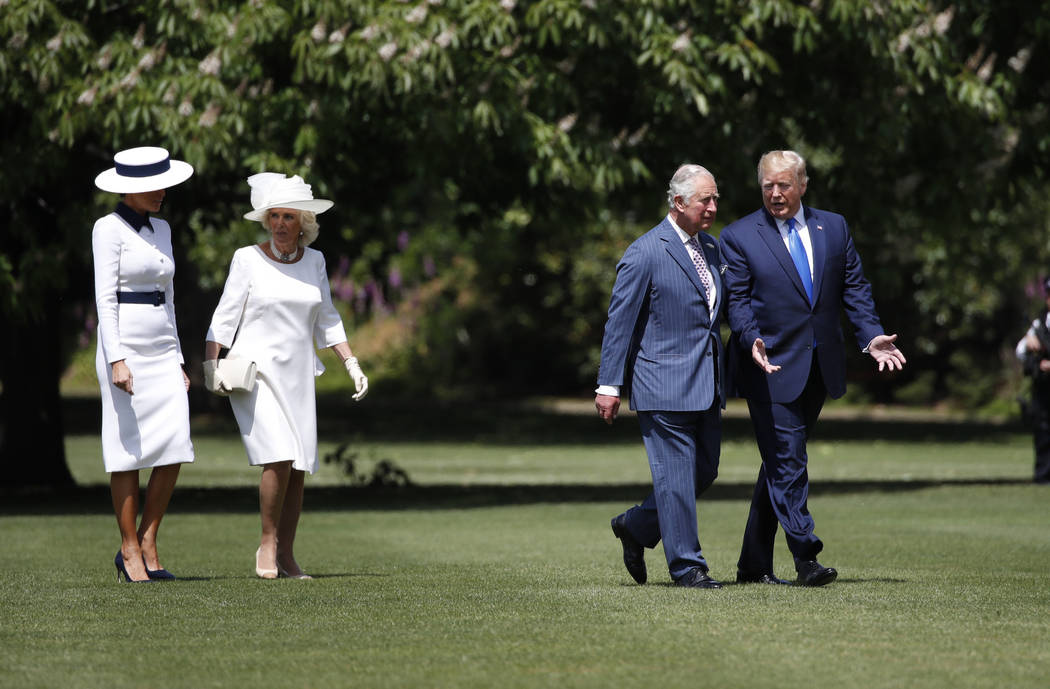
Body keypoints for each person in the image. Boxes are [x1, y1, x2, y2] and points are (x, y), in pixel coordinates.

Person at [719, 150, 906, 587]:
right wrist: (750, 339)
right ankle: (807, 557)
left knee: (778, 464)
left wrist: (870, 335)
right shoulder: (739, 235)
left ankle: (752, 564)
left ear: (803, 184)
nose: (775, 193)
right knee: (788, 459)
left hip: (820, 365)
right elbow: (738, 301)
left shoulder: (833, 227)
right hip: (769, 365)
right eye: (767, 185)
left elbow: (855, 287)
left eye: (784, 184)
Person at [204, 172, 369, 580]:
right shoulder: (247, 258)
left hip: (298, 375)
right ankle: (267, 542)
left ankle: (287, 556)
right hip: (255, 374)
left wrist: (351, 363)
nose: (280, 224)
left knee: (297, 466)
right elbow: (223, 319)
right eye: (274, 216)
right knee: (277, 456)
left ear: (304, 224)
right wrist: (212, 365)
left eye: (289, 217)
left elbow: (327, 319)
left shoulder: (314, 261)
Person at [595, 164, 727, 589]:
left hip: (706, 383)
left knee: (702, 472)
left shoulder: (711, 248)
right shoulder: (645, 252)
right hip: (662, 385)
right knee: (674, 476)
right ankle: (688, 566)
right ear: (678, 203)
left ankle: (635, 526)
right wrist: (609, 384)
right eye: (704, 199)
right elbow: (620, 323)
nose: (712, 206)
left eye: (715, 198)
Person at [92, 146, 195, 583]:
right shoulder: (107, 228)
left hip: (161, 349)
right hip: (125, 346)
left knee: (175, 443)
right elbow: (104, 298)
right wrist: (117, 358)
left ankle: (148, 536)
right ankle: (129, 548)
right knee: (127, 449)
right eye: (155, 185)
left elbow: (169, 298)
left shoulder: (163, 229)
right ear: (131, 189)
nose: (163, 191)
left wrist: (179, 359)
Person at [1015, 277, 1050, 485]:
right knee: (1043, 431)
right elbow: (1020, 351)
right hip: (1044, 387)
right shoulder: (1039, 324)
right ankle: (1043, 476)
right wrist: (1029, 343)